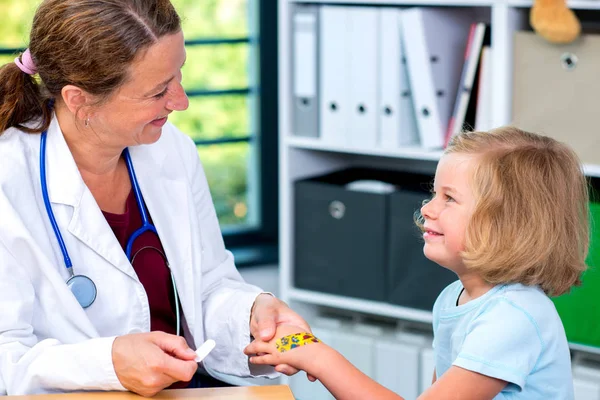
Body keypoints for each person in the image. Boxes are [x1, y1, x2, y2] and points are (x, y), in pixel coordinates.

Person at [0, 0, 311, 396]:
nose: (181, 101)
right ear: (79, 99)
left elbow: (208, 286)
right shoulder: (8, 179)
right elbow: (6, 356)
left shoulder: (171, 151)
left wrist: (251, 317)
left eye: (178, 74)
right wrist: (107, 364)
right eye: (158, 91)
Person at [245, 127, 589, 400]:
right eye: (433, 193)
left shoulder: (515, 318)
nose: (426, 208)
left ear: (509, 224)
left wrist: (316, 356)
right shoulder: (454, 298)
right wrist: (308, 349)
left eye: (449, 198)